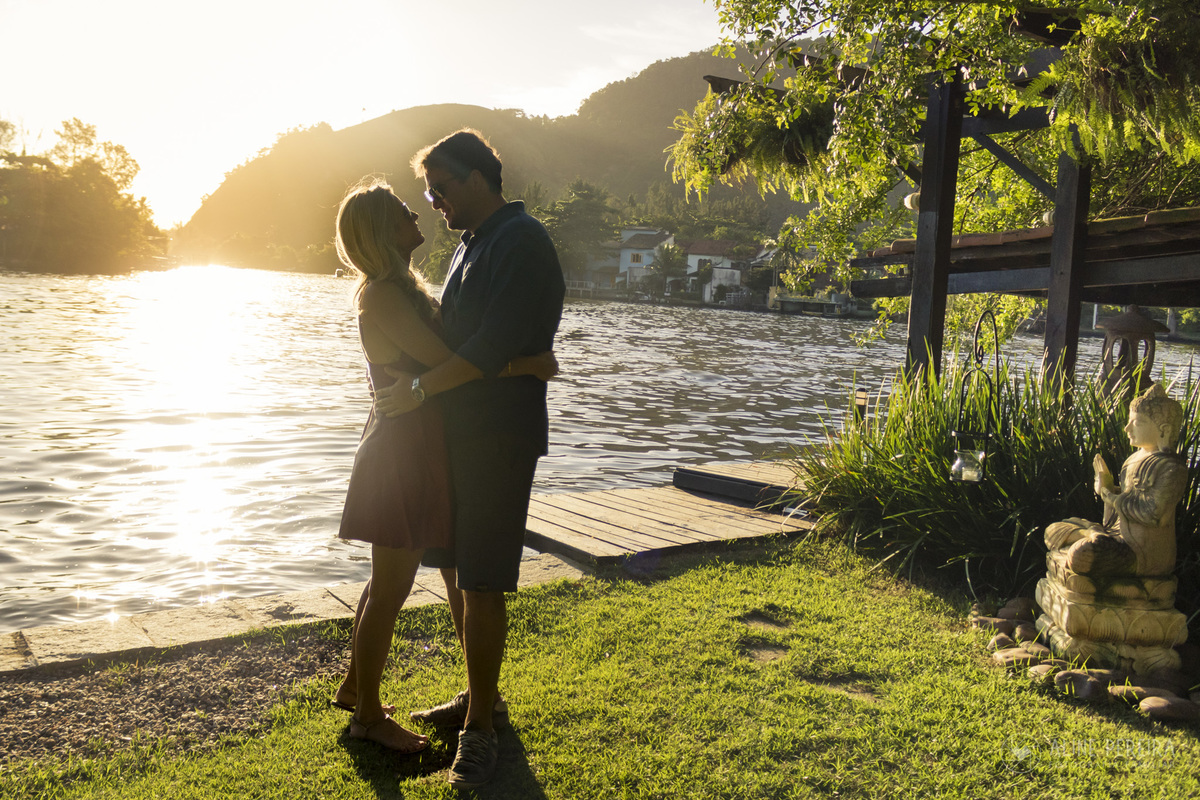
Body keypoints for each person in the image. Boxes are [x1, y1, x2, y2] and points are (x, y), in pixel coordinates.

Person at [328, 178, 556, 755]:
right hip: (400, 451)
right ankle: (367, 719)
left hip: (420, 444)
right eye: (404, 209)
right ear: (381, 230)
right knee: (391, 587)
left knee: (388, 582)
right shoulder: (383, 294)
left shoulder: (403, 288)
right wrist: (529, 365)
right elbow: (451, 362)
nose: (418, 211)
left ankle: (356, 690)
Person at [375, 129, 565, 788]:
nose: (434, 203)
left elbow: (487, 347)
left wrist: (421, 389)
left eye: (441, 188)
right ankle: (481, 699)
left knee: (482, 581)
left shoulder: (521, 241)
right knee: (458, 572)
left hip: (498, 437)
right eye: (428, 193)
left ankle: (481, 729)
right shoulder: (473, 242)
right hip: (457, 434)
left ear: (479, 178)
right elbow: (455, 340)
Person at [1045, 382, 1187, 577]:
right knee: (1053, 530)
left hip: (1141, 554)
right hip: (1114, 536)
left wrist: (1111, 498)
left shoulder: (1172, 467)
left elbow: (1153, 515)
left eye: (1137, 423)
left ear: (1164, 430)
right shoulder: (1133, 459)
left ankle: (1093, 540)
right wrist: (1108, 487)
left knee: (1080, 557)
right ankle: (1093, 535)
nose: (1127, 428)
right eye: (1129, 421)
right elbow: (1128, 499)